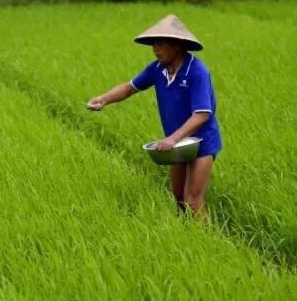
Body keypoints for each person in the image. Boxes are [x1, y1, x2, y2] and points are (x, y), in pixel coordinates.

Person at [87, 14, 222, 219]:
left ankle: (210, 242)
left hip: (201, 142)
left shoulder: (197, 71)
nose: (155, 50)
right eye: (153, 46)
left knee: (192, 200)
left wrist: (172, 139)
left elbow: (202, 115)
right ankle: (186, 240)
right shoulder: (157, 69)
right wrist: (104, 99)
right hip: (177, 144)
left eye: (160, 45)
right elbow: (130, 88)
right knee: (177, 198)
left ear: (177, 45)